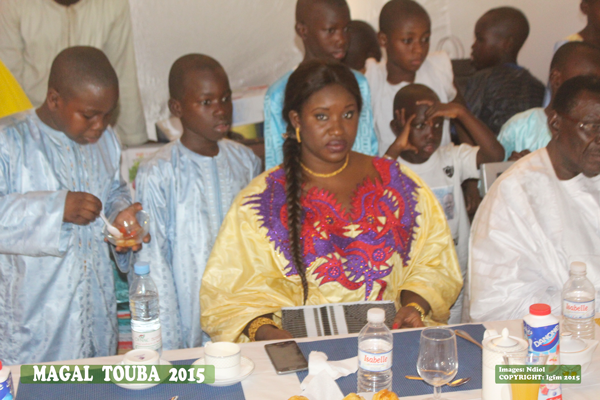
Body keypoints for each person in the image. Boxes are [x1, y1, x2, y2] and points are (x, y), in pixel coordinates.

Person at [200, 60, 462, 343]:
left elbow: (433, 261)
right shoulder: (261, 199)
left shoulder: (398, 183)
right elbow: (232, 293)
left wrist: (414, 305)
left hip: (388, 346)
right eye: (322, 117)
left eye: (348, 115)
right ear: (297, 120)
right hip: (300, 354)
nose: (338, 129)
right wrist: (265, 331)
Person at [0, 47, 148, 364]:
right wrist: (57, 208)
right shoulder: (9, 141)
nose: (100, 125)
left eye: (108, 114)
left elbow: (112, 190)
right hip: (34, 324)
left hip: (97, 314)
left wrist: (120, 216)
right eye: (89, 115)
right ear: (55, 100)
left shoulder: (106, 140)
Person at [134, 54, 261, 350]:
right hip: (186, 321)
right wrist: (168, 346)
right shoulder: (158, 172)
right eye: (206, 102)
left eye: (225, 98)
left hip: (240, 312)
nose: (220, 110)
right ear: (177, 108)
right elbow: (154, 263)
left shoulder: (245, 162)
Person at [469, 75, 600, 322]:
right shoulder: (515, 192)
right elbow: (498, 307)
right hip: (550, 348)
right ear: (555, 124)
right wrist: (586, 305)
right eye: (592, 126)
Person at [384, 84, 504, 323]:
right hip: (414, 282)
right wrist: (396, 147)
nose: (431, 133)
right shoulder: (391, 166)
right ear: (397, 128)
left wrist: (460, 112)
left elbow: (495, 154)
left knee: (455, 332)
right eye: (419, 126)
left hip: (457, 272)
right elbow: (374, 193)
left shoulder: (452, 156)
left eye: (438, 124)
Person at [0, 0, 147, 146]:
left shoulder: (113, 4)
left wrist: (134, 143)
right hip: (31, 134)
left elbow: (123, 75)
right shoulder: (12, 5)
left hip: (90, 138)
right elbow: (8, 85)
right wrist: (18, 141)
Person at [263, 0, 378, 170]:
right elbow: (275, 165)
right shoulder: (279, 93)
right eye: (330, 30)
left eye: (346, 29)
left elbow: (368, 149)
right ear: (302, 30)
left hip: (357, 189)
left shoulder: (359, 83)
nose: (341, 39)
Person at [365, 0, 457, 156]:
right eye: (407, 41)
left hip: (441, 172)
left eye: (425, 39)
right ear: (383, 40)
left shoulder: (438, 69)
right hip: (393, 175)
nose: (419, 49)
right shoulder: (372, 80)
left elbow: (460, 118)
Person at [498, 42, 600, 161]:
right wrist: (512, 168)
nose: (594, 88)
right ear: (556, 79)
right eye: (583, 81)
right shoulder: (519, 127)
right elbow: (493, 174)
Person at [462, 7, 544, 135]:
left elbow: (463, 126)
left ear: (507, 44)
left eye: (480, 39)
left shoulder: (482, 79)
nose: (473, 46)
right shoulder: (539, 87)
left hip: (488, 153)